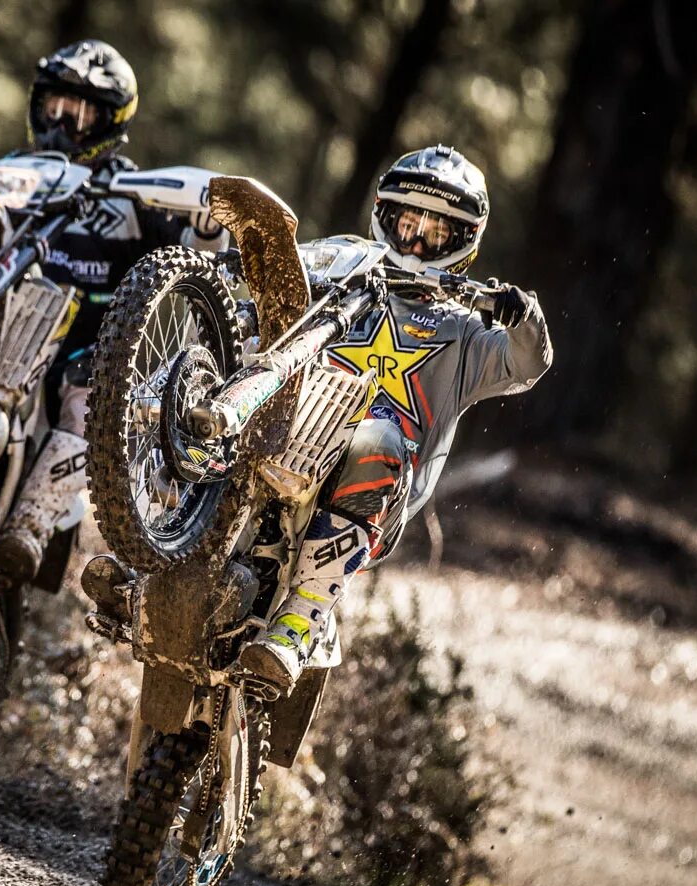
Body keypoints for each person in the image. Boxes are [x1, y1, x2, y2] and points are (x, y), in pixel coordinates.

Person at [234, 146, 552, 696]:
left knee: (378, 434)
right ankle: (150, 554)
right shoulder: (346, 269)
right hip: (285, 442)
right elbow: (261, 296)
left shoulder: (467, 333)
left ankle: (300, 620)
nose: (418, 243)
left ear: (464, 241)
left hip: (372, 490)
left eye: (437, 233)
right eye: (409, 225)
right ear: (385, 216)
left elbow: (529, 364)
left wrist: (524, 315)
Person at [0, 39, 228, 584]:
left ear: (111, 124)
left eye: (82, 114)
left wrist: (207, 224)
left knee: (95, 398)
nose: (63, 124)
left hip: (85, 347)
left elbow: (192, 262)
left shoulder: (133, 193)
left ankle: (31, 525)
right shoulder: (9, 172)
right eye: (55, 107)